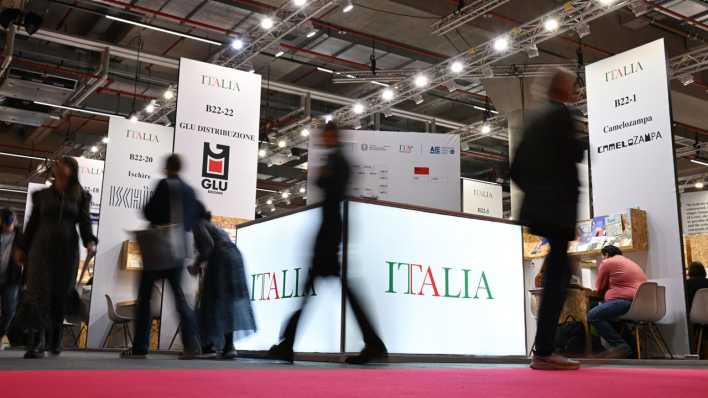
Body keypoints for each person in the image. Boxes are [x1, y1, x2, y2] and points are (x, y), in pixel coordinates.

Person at [268, 122, 387, 365]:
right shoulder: (336, 160)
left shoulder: (338, 161)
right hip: (330, 229)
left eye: (326, 135)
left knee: (317, 292)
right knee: (321, 291)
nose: (323, 139)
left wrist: (323, 176)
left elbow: (327, 187)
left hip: (329, 231)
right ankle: (288, 344)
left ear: (333, 136)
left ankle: (288, 345)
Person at [511, 69, 583, 370]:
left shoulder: (532, 120)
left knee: (559, 270)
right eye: (572, 86)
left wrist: (536, 195)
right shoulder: (562, 116)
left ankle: (545, 348)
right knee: (558, 275)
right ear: (563, 89)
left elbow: (515, 169)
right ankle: (544, 350)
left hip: (540, 208)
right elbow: (573, 155)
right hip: (558, 209)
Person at [121, 154, 201, 359]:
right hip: (178, 250)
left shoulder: (164, 185)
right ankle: (192, 344)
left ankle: (140, 347)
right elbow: (193, 220)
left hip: (158, 250)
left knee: (144, 298)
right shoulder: (190, 191)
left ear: (166, 168)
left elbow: (149, 213)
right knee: (180, 298)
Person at [17, 157, 97, 358]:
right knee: (37, 293)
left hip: (67, 251)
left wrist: (90, 241)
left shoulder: (81, 196)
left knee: (60, 294)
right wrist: (22, 248)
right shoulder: (42, 196)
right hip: (40, 250)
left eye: (63, 164)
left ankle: (54, 339)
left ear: (72, 170)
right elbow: (32, 224)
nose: (58, 166)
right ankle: (36, 342)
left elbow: (85, 223)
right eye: (58, 163)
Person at [188, 207, 256, 359]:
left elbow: (208, 247)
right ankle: (228, 346)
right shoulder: (213, 226)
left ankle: (210, 345)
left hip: (221, 261)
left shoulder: (198, 224)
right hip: (234, 258)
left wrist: (196, 265)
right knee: (227, 303)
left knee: (212, 301)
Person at [588, 245, 647, 358]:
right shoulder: (630, 262)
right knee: (611, 318)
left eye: (603, 257)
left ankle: (620, 346)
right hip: (641, 304)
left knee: (593, 314)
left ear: (605, 255)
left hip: (624, 302)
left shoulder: (607, 262)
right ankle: (632, 350)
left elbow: (599, 287)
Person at [0, 209, 23, 349]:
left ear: (15, 222)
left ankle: (0, 335)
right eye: (6, 222)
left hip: (12, 279)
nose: (8, 225)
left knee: (9, 312)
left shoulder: (21, 238)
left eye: (11, 221)